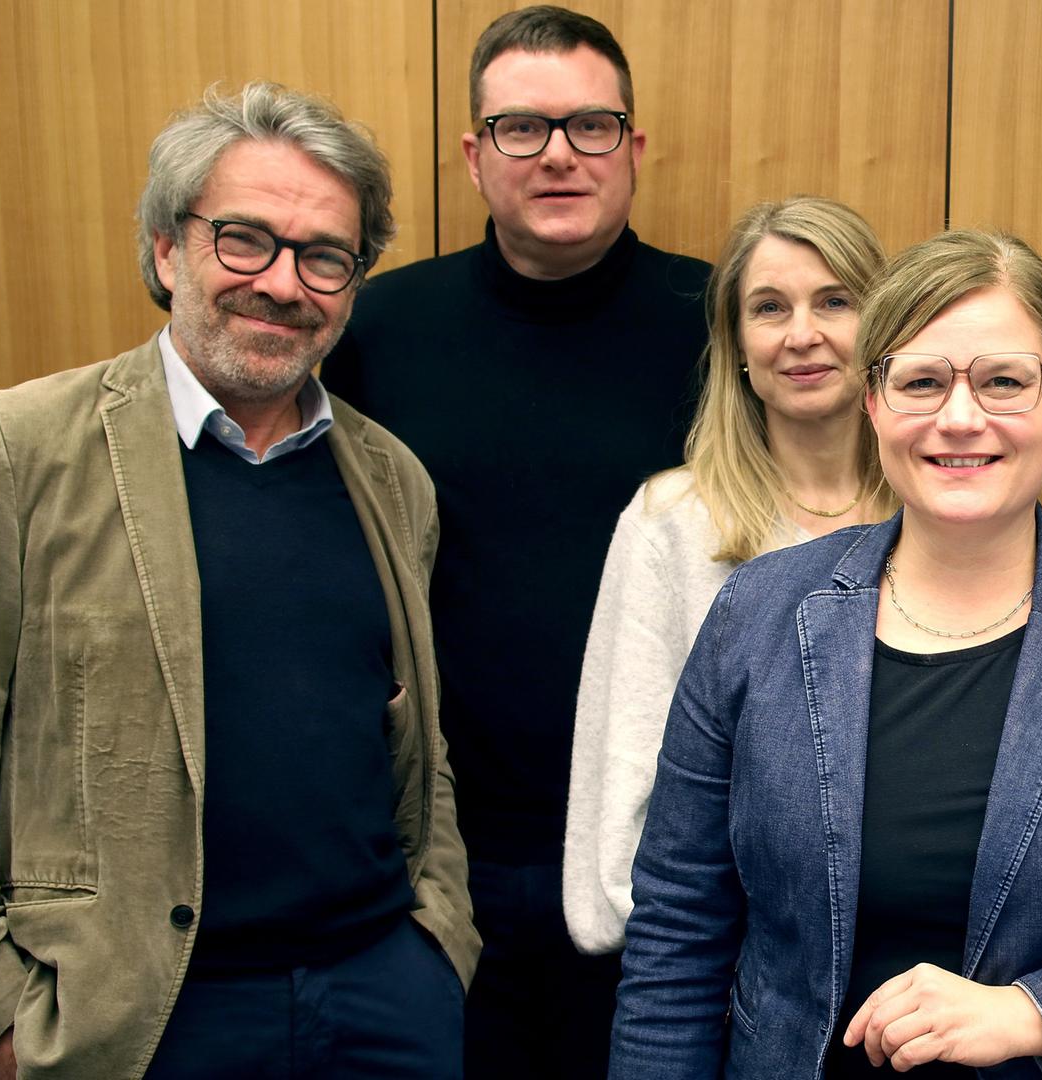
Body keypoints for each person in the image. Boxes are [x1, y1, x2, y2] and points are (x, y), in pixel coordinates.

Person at [609, 229, 1042, 1079]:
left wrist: (1033, 1013)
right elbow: (678, 936)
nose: (960, 417)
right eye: (922, 381)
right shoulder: (757, 616)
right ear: (873, 403)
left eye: (1004, 381)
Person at [0, 82, 478, 1079]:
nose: (282, 281)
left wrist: (437, 945)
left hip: (380, 1005)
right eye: (243, 238)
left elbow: (416, 743)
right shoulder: (14, 452)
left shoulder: (393, 478)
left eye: (324, 256)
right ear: (166, 246)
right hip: (134, 1023)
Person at [319, 6, 710, 1070]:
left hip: (666, 856)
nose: (558, 156)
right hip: (436, 863)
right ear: (473, 154)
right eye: (521, 129)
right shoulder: (375, 331)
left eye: (590, 126)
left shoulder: (725, 328)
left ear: (634, 147)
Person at [564, 196, 891, 954]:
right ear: (737, 344)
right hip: (731, 973)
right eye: (770, 307)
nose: (803, 334)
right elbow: (623, 796)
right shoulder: (672, 523)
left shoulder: (943, 514)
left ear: (883, 327)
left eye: (835, 301)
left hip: (925, 972)